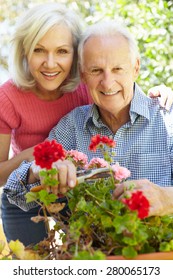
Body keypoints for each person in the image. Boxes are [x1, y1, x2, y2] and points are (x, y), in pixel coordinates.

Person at [1, 9, 172, 246]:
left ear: (136, 68)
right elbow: (13, 192)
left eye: (118, 69)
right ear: (83, 74)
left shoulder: (166, 118)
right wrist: (37, 170)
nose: (108, 82)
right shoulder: (72, 125)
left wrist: (168, 197)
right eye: (96, 71)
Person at [0, 2, 93, 246]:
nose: (50, 64)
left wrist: (159, 94)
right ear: (24, 51)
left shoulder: (86, 90)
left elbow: (125, 100)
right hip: (25, 194)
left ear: (76, 53)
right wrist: (33, 156)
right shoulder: (7, 98)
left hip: (76, 190)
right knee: (29, 262)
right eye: (39, 50)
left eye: (62, 51)